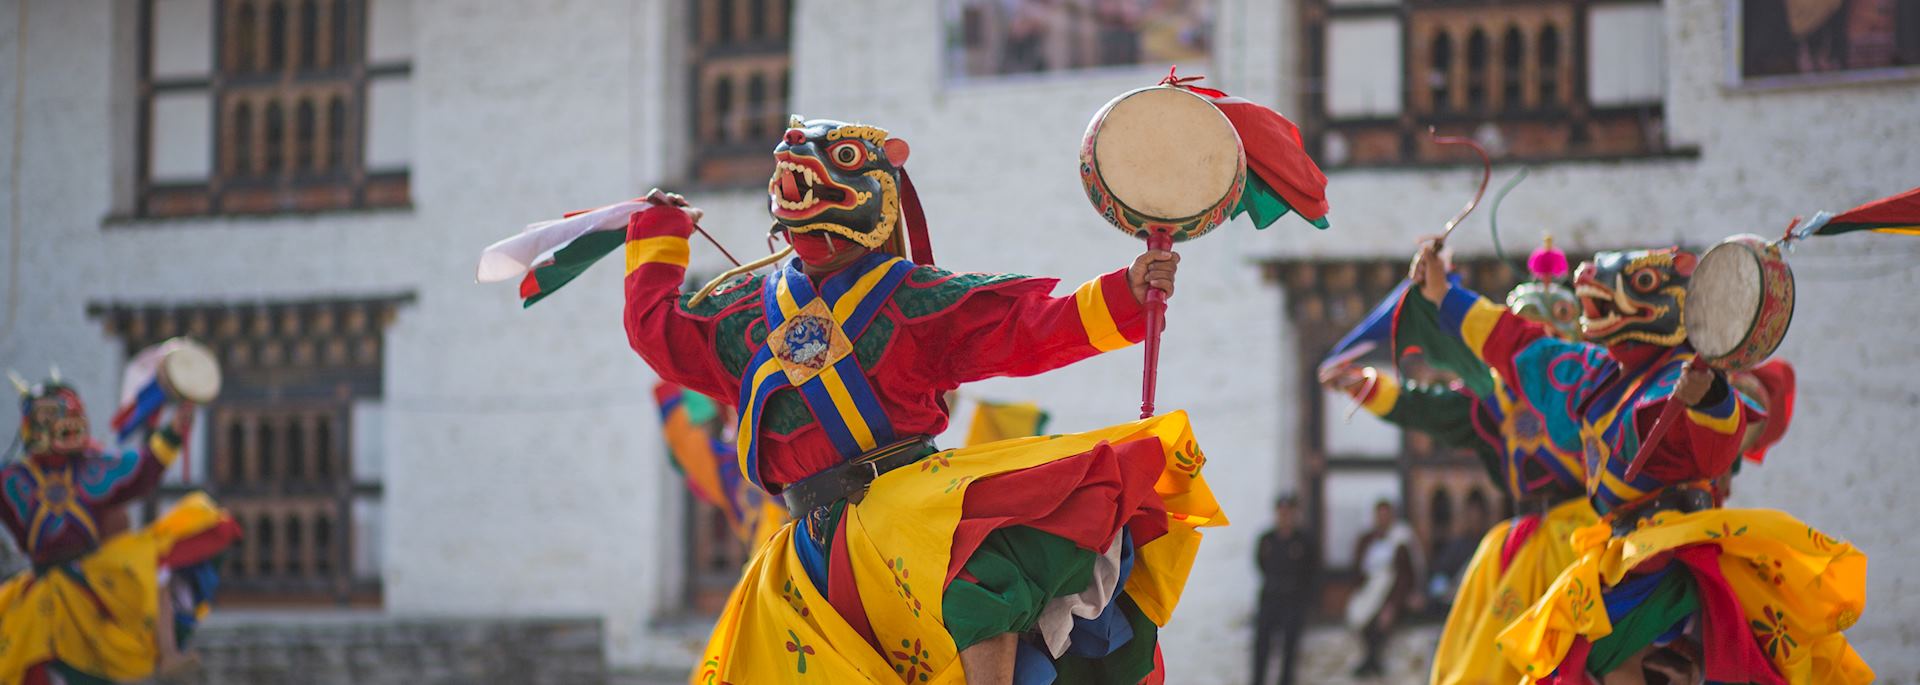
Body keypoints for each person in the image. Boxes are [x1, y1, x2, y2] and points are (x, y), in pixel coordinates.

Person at [609, 117, 1223, 684]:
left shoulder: (912, 299)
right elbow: (659, 334)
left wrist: (1125, 292)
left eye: (839, 160)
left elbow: (1023, 327)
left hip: (902, 503)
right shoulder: (741, 310)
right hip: (801, 551)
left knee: (987, 570)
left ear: (879, 192)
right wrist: (659, 236)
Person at [1407, 242, 1870, 683]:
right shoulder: (1593, 373)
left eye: (1642, 281)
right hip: (1615, 549)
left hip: (1672, 551)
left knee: (1618, 655)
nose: (1590, 281)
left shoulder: (1683, 375)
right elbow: (1515, 344)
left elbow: (1717, 438)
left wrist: (1710, 398)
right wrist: (1443, 295)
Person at [1320, 235, 1602, 685]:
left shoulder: (1594, 383)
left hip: (1596, 539)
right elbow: (1429, 408)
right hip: (1527, 544)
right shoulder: (1494, 401)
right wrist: (1364, 383)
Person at [0, 374, 241, 684]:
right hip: (43, 591)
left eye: (73, 414)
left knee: (152, 565)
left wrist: (174, 430)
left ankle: (168, 654)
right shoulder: (12, 481)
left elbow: (143, 469)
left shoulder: (91, 467)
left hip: (94, 572)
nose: (67, 423)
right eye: (52, 414)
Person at [1345, 499, 1417, 678]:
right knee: (1360, 617)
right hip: (1370, 592)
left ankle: (1372, 661)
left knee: (1379, 622)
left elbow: (1404, 575)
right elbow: (1358, 570)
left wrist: (1393, 604)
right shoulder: (1367, 540)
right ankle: (1370, 660)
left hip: (1389, 594)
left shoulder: (1399, 541)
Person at [1250, 494, 1315, 685]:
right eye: (1282, 512)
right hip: (1270, 597)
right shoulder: (1267, 539)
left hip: (1293, 599)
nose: (1285, 517)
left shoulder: (1303, 541)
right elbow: (1260, 563)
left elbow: (1311, 569)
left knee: (1289, 649)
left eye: (1289, 513)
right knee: (1262, 646)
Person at [1425, 494, 1488, 611]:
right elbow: (1439, 575)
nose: (1474, 521)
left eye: (1477, 517)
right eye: (1471, 517)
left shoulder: (1490, 544)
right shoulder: (1457, 546)